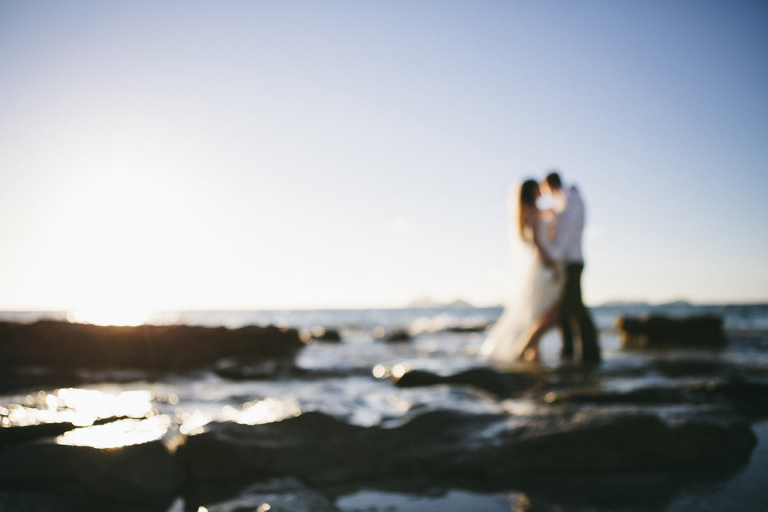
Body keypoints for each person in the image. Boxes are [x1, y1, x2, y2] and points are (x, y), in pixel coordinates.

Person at [481, 180, 564, 364]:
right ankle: (521, 353)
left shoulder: (529, 212)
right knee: (549, 315)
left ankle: (533, 359)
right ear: (531, 191)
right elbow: (537, 242)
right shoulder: (533, 212)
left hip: (537, 267)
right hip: (542, 267)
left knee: (536, 316)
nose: (540, 192)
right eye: (536, 188)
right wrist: (550, 263)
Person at [540, 171, 601, 363]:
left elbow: (569, 232)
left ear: (549, 185)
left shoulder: (570, 198)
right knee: (566, 310)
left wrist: (554, 256)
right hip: (567, 261)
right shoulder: (563, 199)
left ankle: (589, 353)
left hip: (572, 261)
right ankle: (570, 352)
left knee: (574, 307)